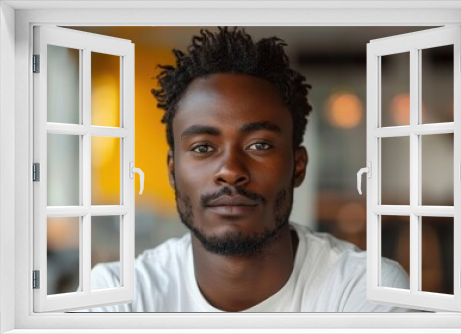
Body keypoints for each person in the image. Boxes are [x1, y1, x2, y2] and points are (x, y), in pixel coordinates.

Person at [84, 27, 409, 312]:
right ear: (172, 171)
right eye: (202, 148)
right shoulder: (117, 295)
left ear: (297, 166)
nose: (230, 170)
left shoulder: (365, 290)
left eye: (259, 145)